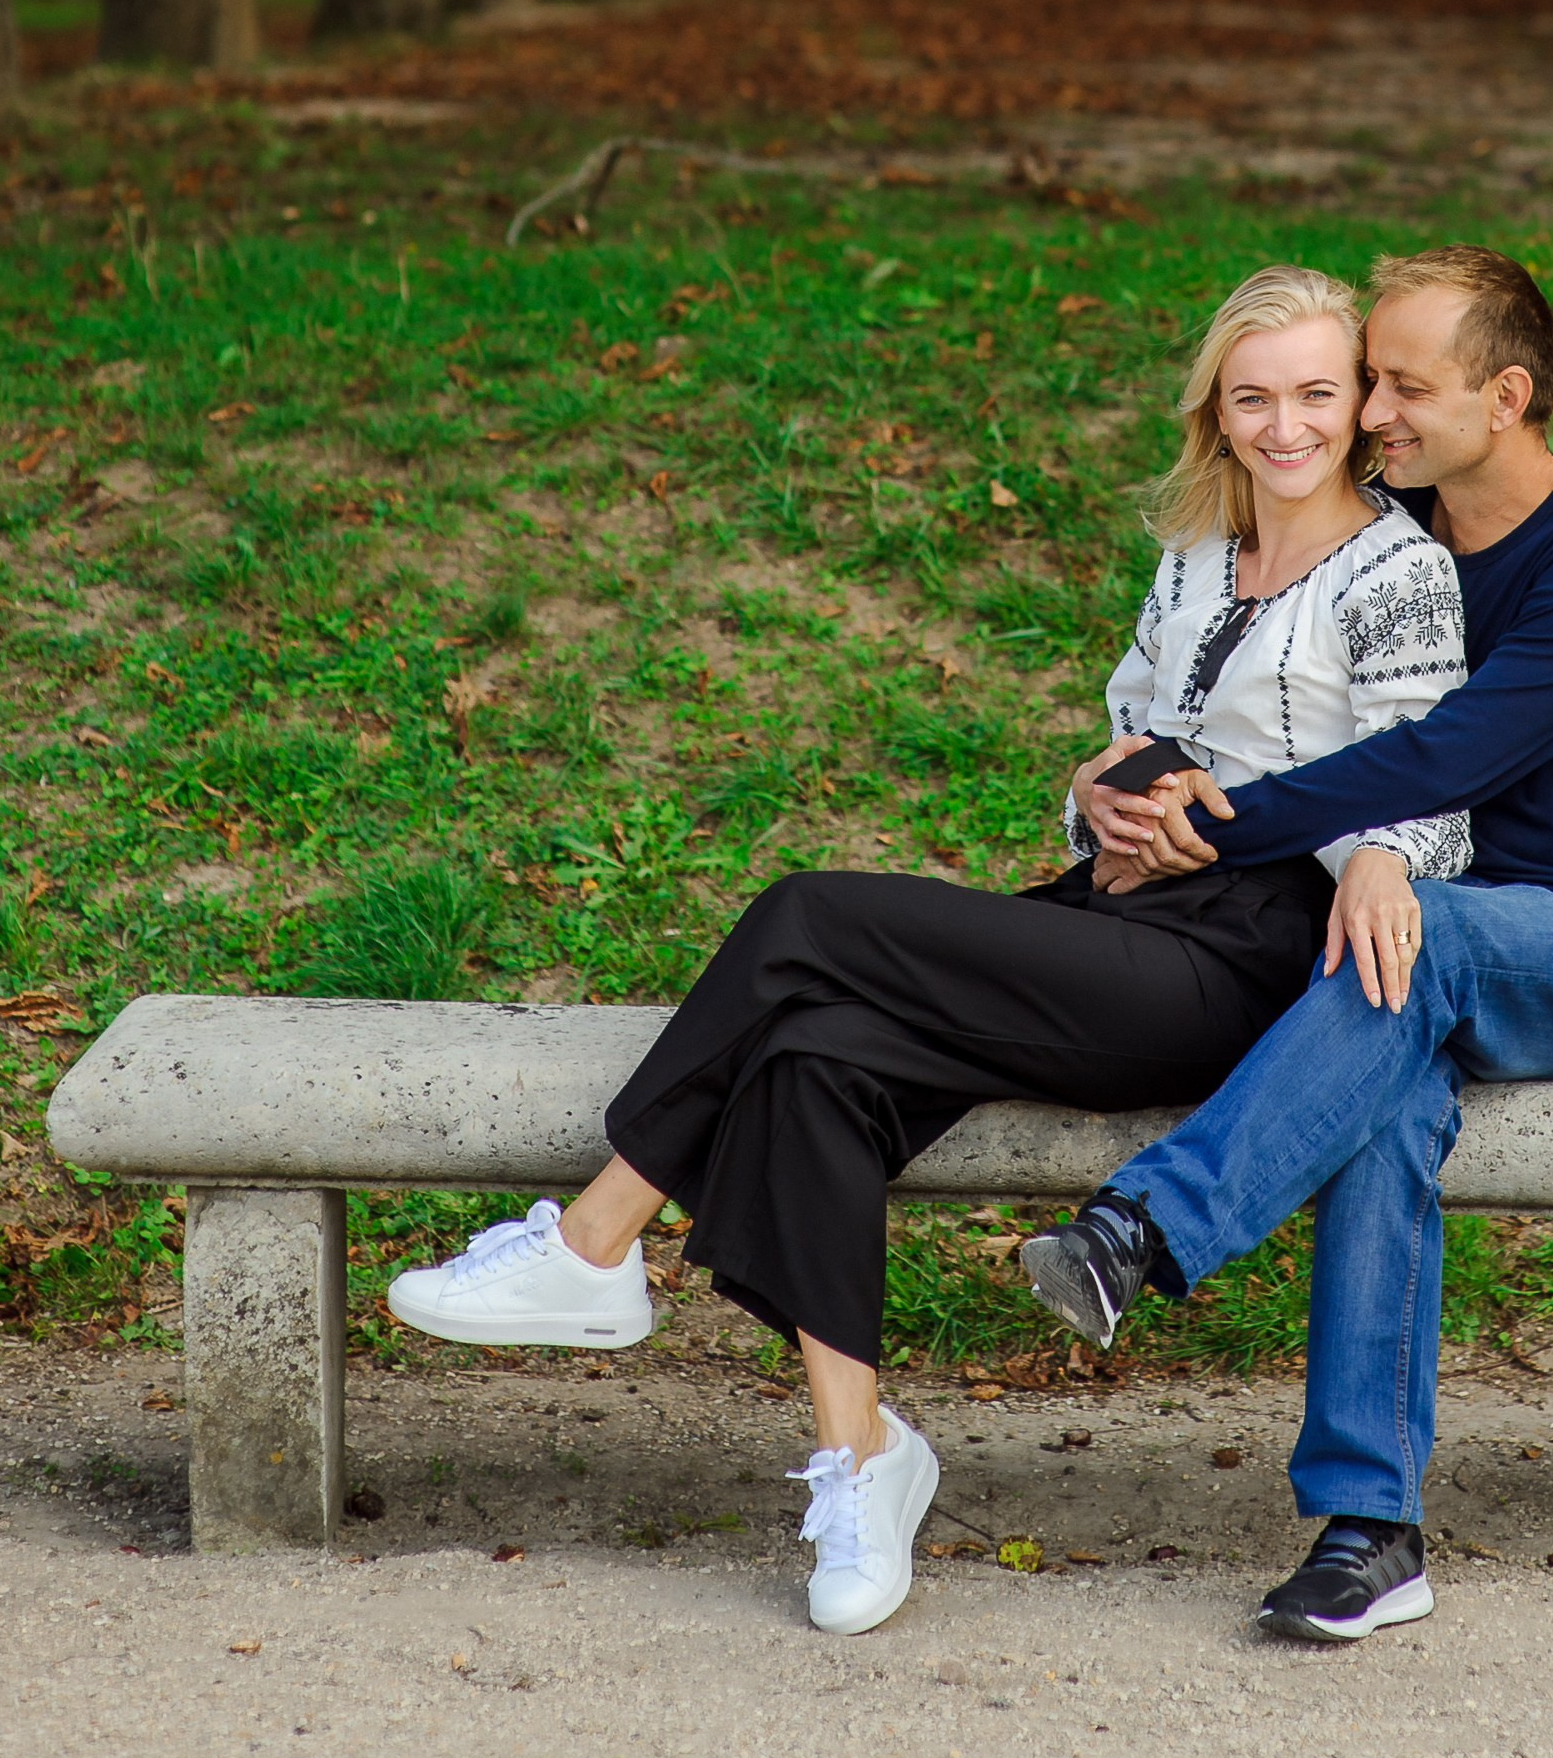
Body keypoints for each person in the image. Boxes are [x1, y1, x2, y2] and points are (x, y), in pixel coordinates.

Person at [385, 263, 1472, 1634]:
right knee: (810, 1056)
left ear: (1356, 401)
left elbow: (1430, 790)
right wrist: (1097, 807)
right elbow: (1129, 732)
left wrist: (1305, 841)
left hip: (1246, 963)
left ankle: (596, 1239)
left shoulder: (1398, 570)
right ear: (1214, 410)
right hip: (1116, 920)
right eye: (1252, 397)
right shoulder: (1195, 555)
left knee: (809, 914)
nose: (1286, 426)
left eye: (1317, 393)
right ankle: (860, 1459)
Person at [1019, 243, 1553, 1646]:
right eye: (1370, 380)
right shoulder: (1396, 540)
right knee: (1381, 1115)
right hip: (1378, 945)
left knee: (1420, 942)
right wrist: (1126, 791)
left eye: (1401, 385)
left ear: (1505, 396)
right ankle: (1369, 1531)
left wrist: (1237, 826)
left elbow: (1453, 749)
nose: (1371, 413)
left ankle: (1146, 1228)